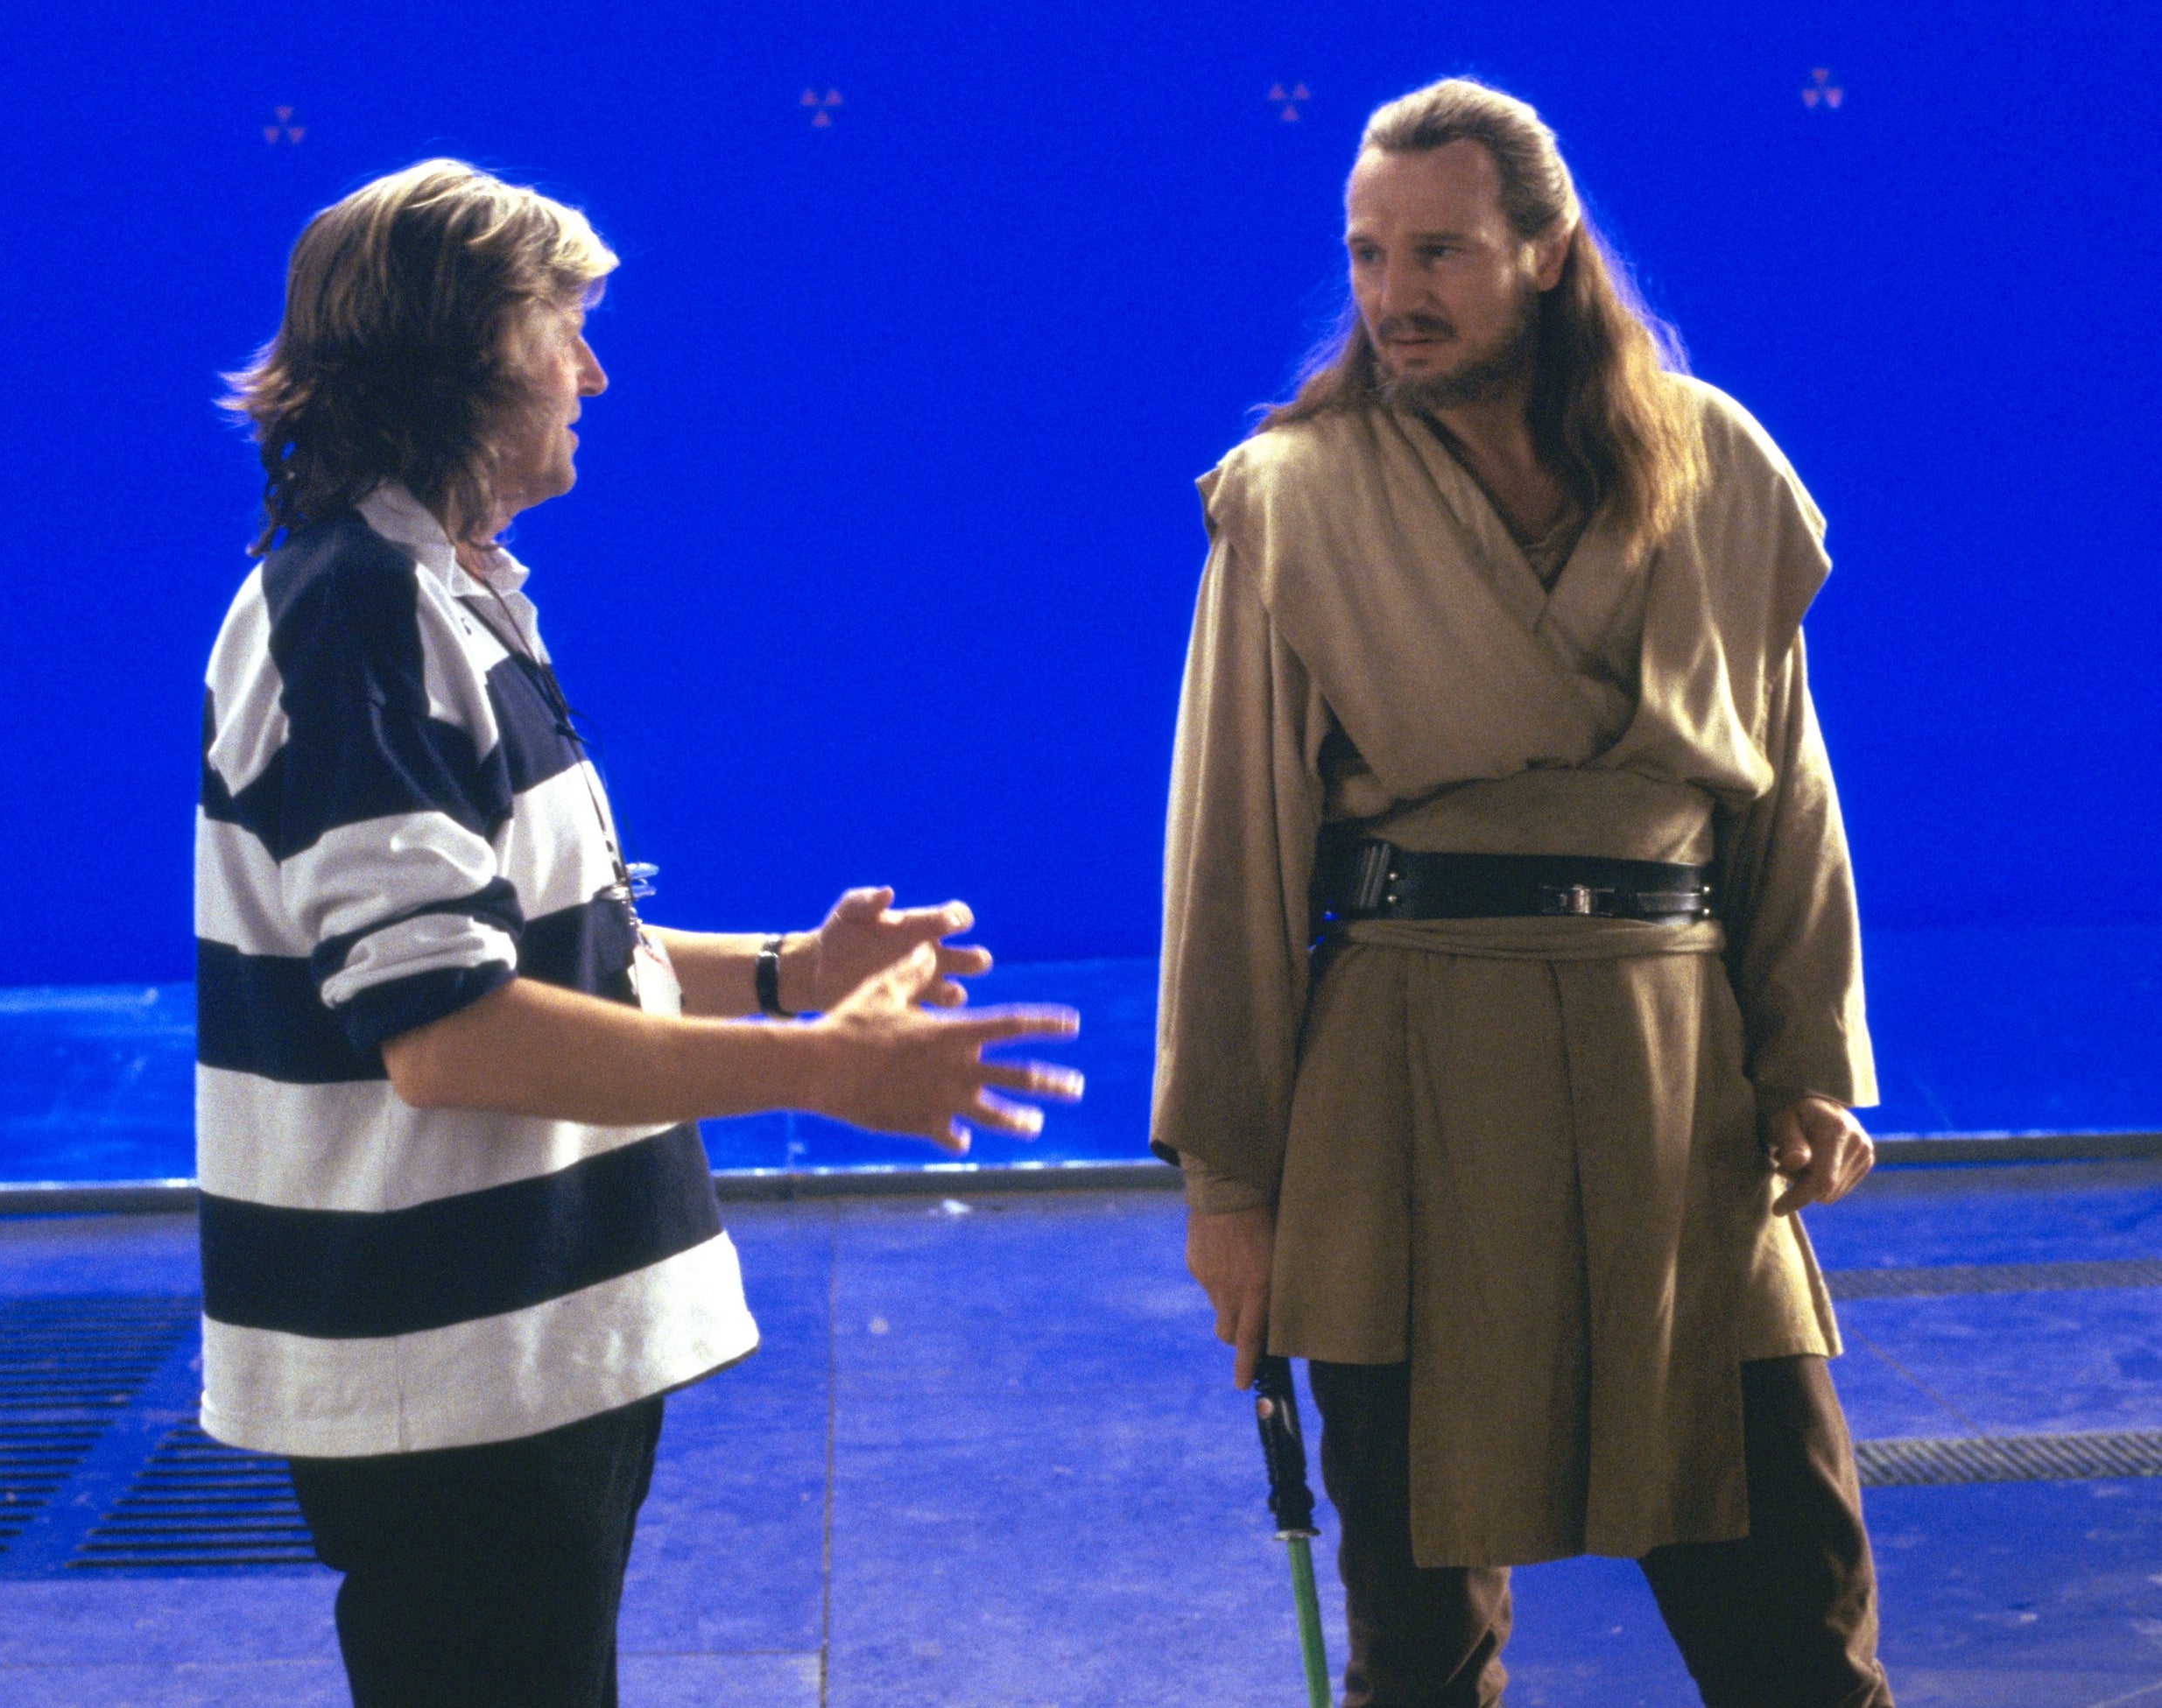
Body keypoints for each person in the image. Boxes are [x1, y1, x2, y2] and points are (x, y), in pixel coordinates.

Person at [197, 159, 1081, 1708]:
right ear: (458, 353)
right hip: (456, 1372)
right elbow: (449, 1035)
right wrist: (815, 1067)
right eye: (561, 327)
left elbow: (534, 956)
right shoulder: (360, 612)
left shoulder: (443, 592)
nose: (592, 370)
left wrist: (788, 972)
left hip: (517, 1359)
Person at [1157, 80, 1888, 1708]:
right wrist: (1230, 1182)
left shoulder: (1716, 469)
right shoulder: (1292, 498)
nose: (1393, 295)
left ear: (1546, 252)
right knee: (1420, 1651)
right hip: (1407, 1084)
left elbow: (1785, 796)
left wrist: (1810, 1058)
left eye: (1439, 253)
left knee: (1798, 1616)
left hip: (1675, 1079)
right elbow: (1232, 860)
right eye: (1366, 255)